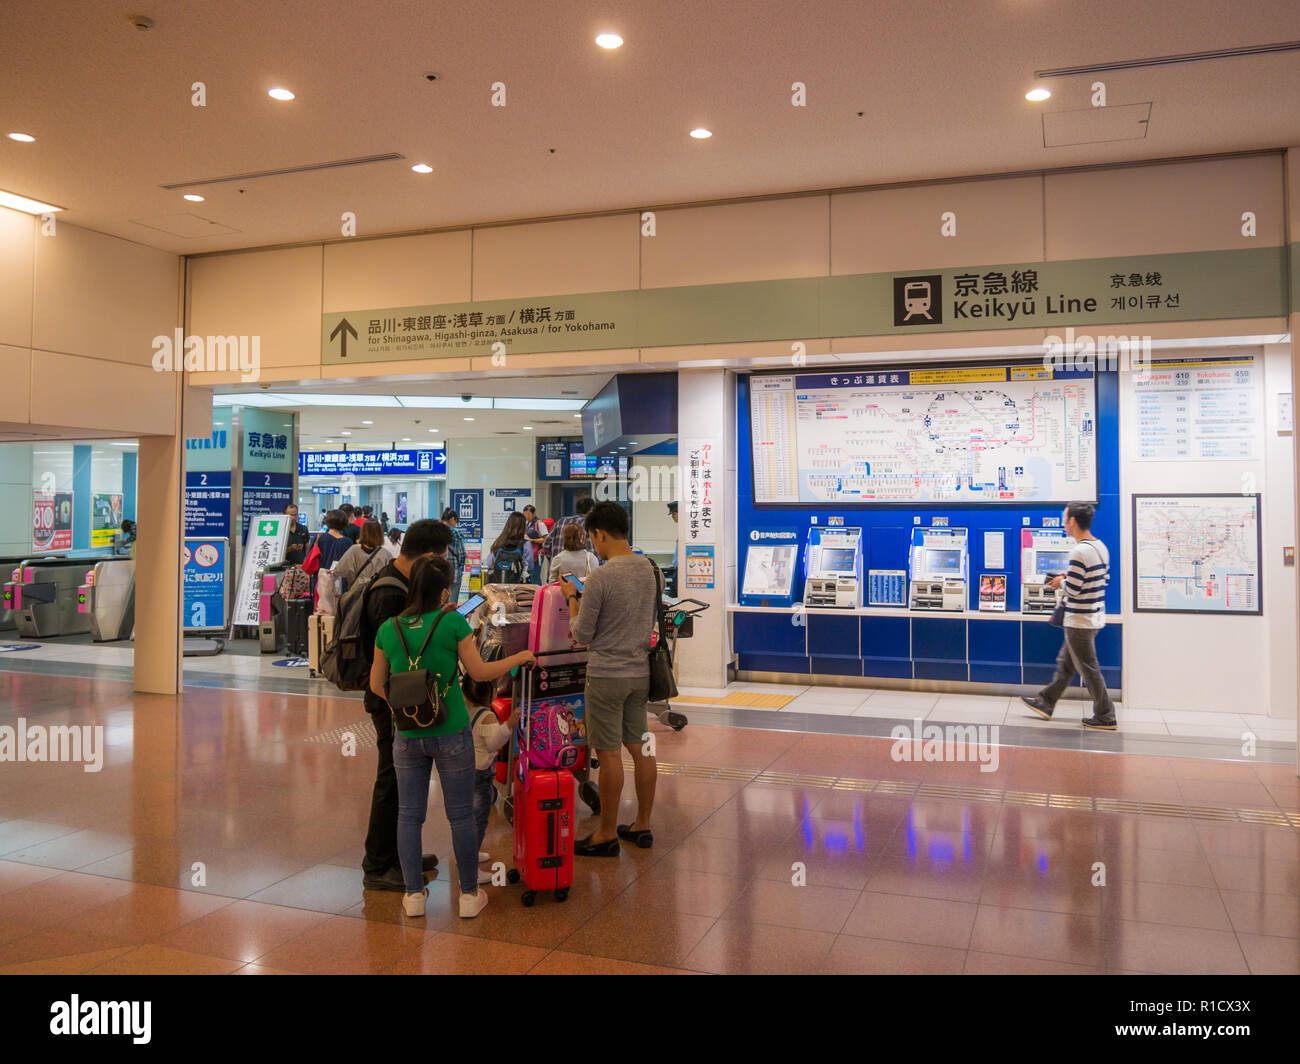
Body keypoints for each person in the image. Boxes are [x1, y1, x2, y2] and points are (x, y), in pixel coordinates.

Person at [369, 556, 534, 918]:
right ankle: (469, 897)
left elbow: (376, 685)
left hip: (407, 733)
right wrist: (518, 657)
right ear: (444, 591)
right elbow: (480, 671)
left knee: (409, 816)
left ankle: (413, 896)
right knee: (460, 815)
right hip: (451, 730)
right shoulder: (451, 624)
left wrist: (408, 705)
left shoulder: (389, 628)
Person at [358, 519, 457, 891]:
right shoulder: (389, 593)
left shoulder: (402, 584)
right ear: (428, 555)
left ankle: (400, 852)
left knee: (403, 779)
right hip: (391, 700)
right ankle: (378, 864)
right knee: (391, 779)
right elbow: (397, 655)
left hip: (406, 698)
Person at [563, 501, 660, 856]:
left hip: (606, 675)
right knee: (641, 747)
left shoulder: (603, 575)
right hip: (640, 673)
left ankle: (606, 833)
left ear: (600, 534)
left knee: (609, 755)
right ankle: (642, 823)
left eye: (594, 539)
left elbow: (583, 633)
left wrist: (573, 598)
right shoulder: (651, 569)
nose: (595, 546)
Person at [1020, 501, 1116, 730]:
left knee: (1088, 668)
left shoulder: (1079, 551)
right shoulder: (1100, 547)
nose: (1063, 523)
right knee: (1066, 664)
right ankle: (1046, 702)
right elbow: (1103, 580)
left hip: (1078, 620)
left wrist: (1062, 581)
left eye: (1065, 519)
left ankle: (1106, 715)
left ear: (1073, 521)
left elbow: (1073, 589)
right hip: (1093, 616)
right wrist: (1068, 576)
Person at [463, 675, 518, 879]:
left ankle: (469, 854)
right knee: (478, 819)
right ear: (492, 693)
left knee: (467, 818)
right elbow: (495, 743)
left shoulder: (468, 712)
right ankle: (471, 870)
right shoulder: (488, 716)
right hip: (480, 776)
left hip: (466, 771)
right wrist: (509, 724)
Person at [333, 519, 387, 593]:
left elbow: (339, 570)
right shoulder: (385, 554)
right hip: (377, 594)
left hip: (355, 595)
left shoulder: (353, 550)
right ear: (380, 534)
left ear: (362, 533)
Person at [541, 495, 594, 562]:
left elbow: (546, 544)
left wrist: (554, 559)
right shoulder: (587, 524)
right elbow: (591, 551)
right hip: (578, 569)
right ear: (591, 510)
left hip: (557, 568)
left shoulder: (560, 521)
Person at [484, 511, 528, 583]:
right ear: (523, 526)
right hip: (518, 586)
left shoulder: (499, 541)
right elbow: (530, 566)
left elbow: (490, 563)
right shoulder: (525, 544)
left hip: (499, 585)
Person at [441, 507, 466, 601]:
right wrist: (461, 564)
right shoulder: (456, 532)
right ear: (452, 518)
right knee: (451, 603)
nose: (455, 524)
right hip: (453, 572)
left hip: (437, 574)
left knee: (439, 603)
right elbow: (462, 554)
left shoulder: (435, 531)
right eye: (456, 521)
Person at [522, 504, 547, 584]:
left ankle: (538, 594)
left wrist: (532, 540)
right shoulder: (526, 524)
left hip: (537, 554)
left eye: (528, 514)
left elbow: (545, 539)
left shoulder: (539, 524)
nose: (526, 516)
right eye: (525, 514)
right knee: (528, 576)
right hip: (528, 554)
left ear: (534, 514)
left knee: (535, 576)